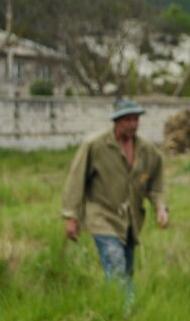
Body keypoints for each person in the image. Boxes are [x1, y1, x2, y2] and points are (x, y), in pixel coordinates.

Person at [61, 98, 168, 301]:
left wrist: (161, 208)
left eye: (136, 119)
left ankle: (113, 308)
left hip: (131, 221)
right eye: (127, 119)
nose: (133, 124)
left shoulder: (148, 151)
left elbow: (157, 184)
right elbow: (76, 181)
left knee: (127, 270)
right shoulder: (95, 146)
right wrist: (71, 216)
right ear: (116, 121)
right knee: (116, 265)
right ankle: (128, 313)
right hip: (102, 217)